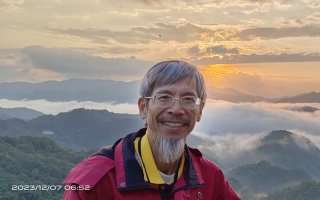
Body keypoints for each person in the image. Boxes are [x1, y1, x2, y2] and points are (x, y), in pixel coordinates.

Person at [63, 60, 240, 200]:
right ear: (143, 108)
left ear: (200, 110)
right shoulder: (94, 181)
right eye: (164, 97)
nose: (176, 109)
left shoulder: (209, 177)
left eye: (188, 99)